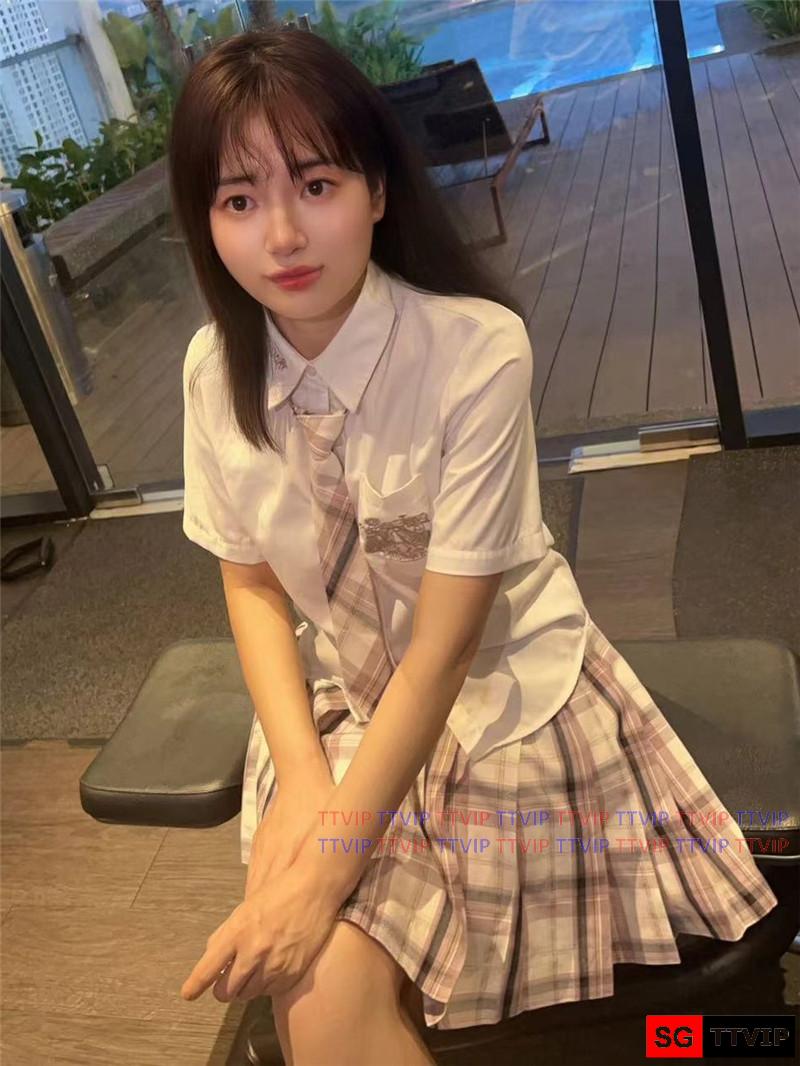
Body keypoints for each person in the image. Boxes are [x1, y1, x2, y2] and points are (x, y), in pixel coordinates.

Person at [170, 26, 778, 1066]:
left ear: (376, 189)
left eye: (314, 184)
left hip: (493, 700)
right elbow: (251, 582)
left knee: (316, 962)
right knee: (313, 992)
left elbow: (445, 651)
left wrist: (326, 862)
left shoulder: (473, 353)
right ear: (205, 223)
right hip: (343, 704)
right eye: (237, 199)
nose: (281, 234)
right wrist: (307, 784)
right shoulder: (209, 370)